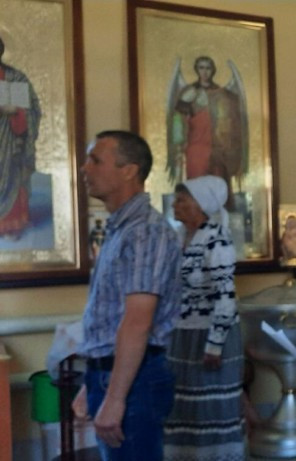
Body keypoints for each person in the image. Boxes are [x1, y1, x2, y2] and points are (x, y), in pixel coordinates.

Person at [71, 131, 182, 460]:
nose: (85, 168)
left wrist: (115, 397)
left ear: (129, 170)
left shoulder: (146, 231)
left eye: (96, 160)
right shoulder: (122, 228)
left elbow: (137, 323)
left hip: (136, 381)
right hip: (114, 375)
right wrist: (93, 381)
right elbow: (111, 317)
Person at [164, 175, 244, 461]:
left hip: (210, 337)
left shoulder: (216, 239)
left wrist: (215, 344)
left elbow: (225, 295)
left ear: (200, 205)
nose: (175, 205)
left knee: (211, 407)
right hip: (183, 336)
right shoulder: (179, 238)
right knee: (184, 407)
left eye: (181, 200)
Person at [169, 56, 246, 185]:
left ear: (213, 70)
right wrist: (178, 144)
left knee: (218, 185)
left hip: (218, 150)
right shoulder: (190, 92)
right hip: (197, 148)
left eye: (208, 68)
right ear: (196, 70)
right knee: (197, 185)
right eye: (201, 68)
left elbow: (232, 123)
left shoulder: (222, 94)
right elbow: (177, 120)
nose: (205, 72)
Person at [0, 35, 41, 240]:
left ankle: (10, 225)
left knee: (11, 175)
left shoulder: (14, 78)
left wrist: (12, 110)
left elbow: (28, 111)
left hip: (9, 141)